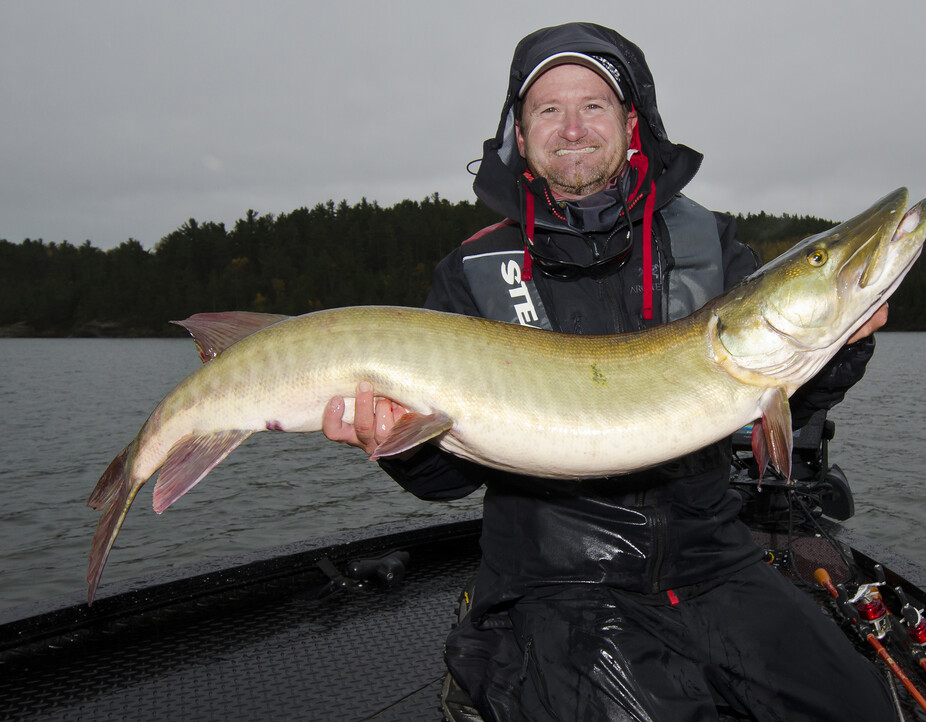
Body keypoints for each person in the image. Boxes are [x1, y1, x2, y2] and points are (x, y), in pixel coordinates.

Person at [324, 22, 895, 722]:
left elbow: (783, 410)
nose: (572, 127)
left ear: (630, 124)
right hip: (553, 578)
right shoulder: (472, 274)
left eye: (593, 105)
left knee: (859, 707)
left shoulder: (708, 245)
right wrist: (393, 442)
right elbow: (447, 481)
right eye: (548, 110)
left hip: (712, 559)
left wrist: (841, 345)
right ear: (521, 135)